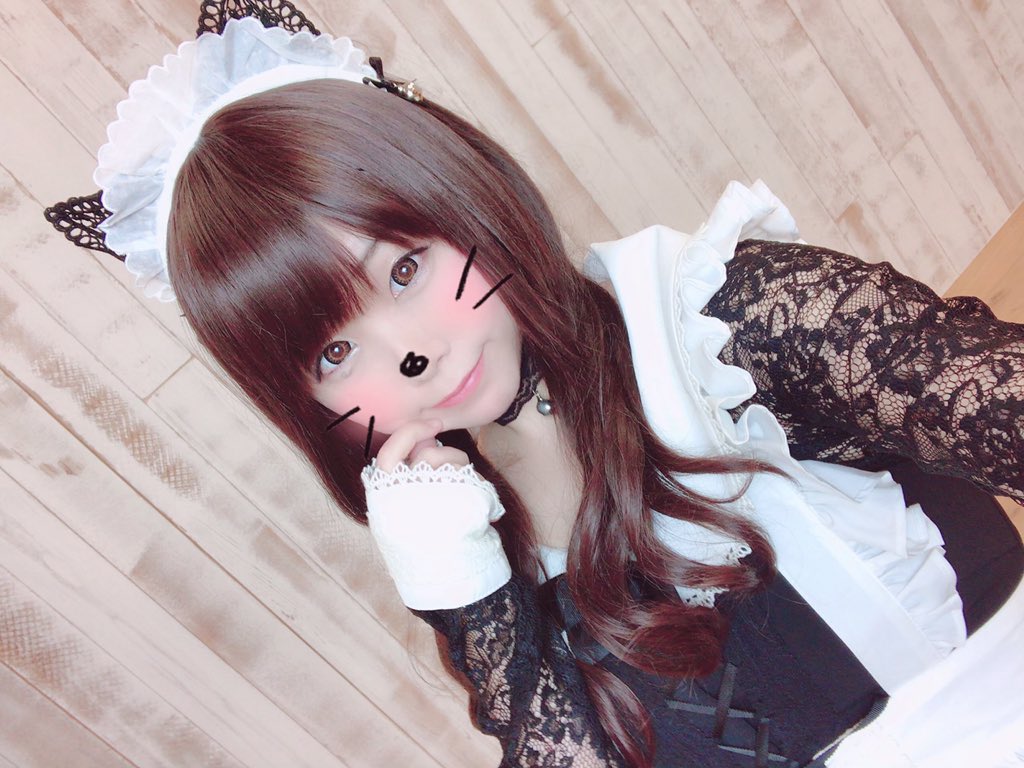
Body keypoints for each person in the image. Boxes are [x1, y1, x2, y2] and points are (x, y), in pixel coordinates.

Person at [46, 3, 1024, 766]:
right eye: (335, 355)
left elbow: (985, 393)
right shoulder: (470, 542)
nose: (411, 356)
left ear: (462, 196)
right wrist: (467, 600)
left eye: (404, 268)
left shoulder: (711, 326)